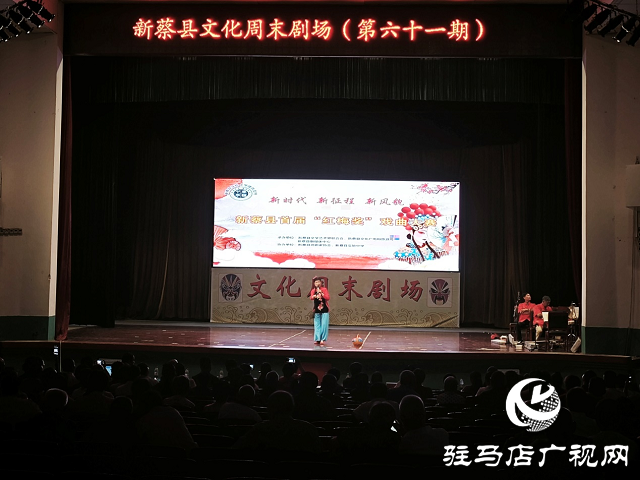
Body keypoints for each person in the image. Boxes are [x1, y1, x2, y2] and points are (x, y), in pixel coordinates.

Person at [309, 276, 330, 346]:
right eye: (316, 282)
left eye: (318, 282)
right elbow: (311, 297)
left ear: (321, 283)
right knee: (317, 325)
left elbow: (327, 298)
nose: (317, 283)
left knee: (324, 325)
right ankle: (317, 339)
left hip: (324, 309)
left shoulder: (324, 289)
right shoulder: (313, 290)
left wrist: (321, 293)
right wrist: (314, 296)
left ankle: (322, 339)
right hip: (316, 309)